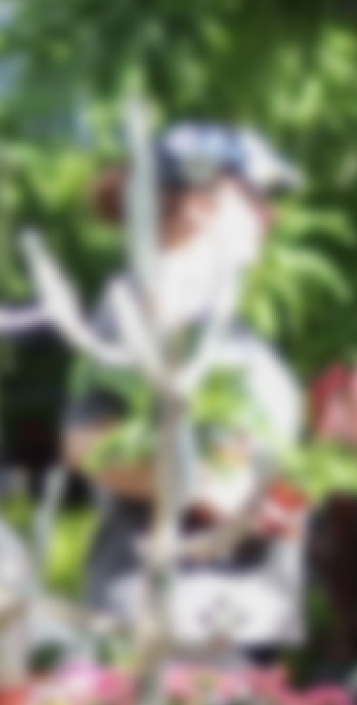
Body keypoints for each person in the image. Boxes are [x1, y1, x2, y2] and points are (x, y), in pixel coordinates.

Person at [63, 122, 307, 658]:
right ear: (200, 202)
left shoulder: (221, 314)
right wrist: (205, 488)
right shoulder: (144, 306)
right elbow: (87, 442)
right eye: (255, 199)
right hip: (165, 617)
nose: (269, 217)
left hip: (242, 615)